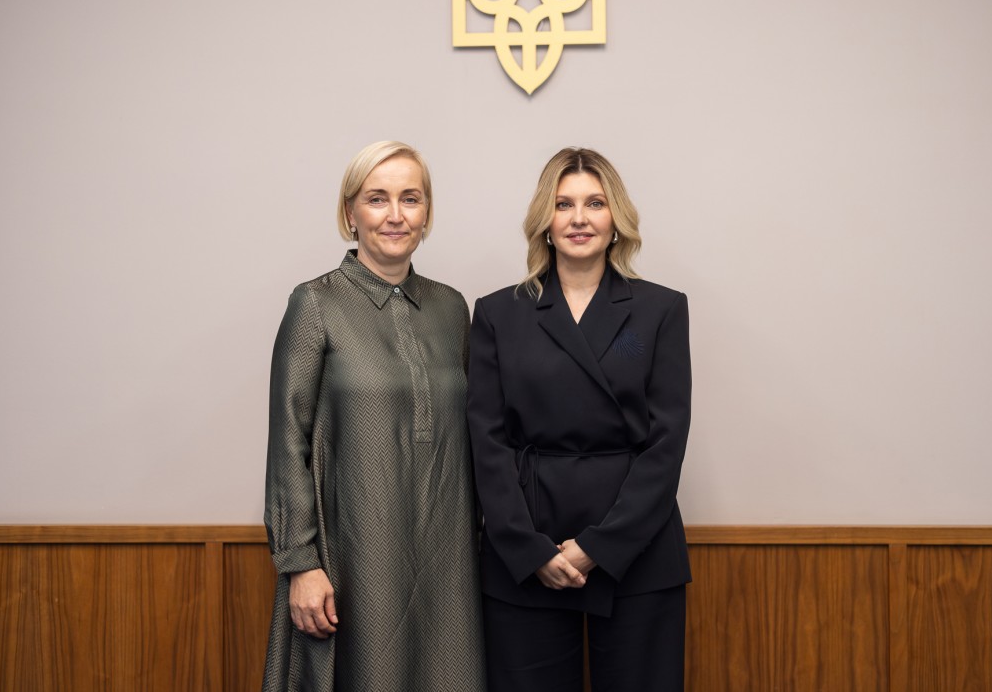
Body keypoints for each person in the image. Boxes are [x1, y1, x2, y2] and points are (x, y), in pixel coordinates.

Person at [262, 141, 485, 692]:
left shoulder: (452, 308)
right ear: (350, 212)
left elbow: (476, 435)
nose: (395, 215)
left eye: (410, 198)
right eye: (377, 198)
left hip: (449, 555)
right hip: (353, 556)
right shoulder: (315, 304)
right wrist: (300, 563)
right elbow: (288, 441)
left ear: (426, 212)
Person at [467, 147, 692, 691]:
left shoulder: (661, 309)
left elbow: (666, 444)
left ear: (616, 219)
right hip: (527, 544)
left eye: (595, 203)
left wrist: (599, 547)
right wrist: (529, 549)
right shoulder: (498, 312)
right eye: (563, 204)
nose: (579, 218)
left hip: (637, 544)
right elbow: (487, 443)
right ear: (544, 220)